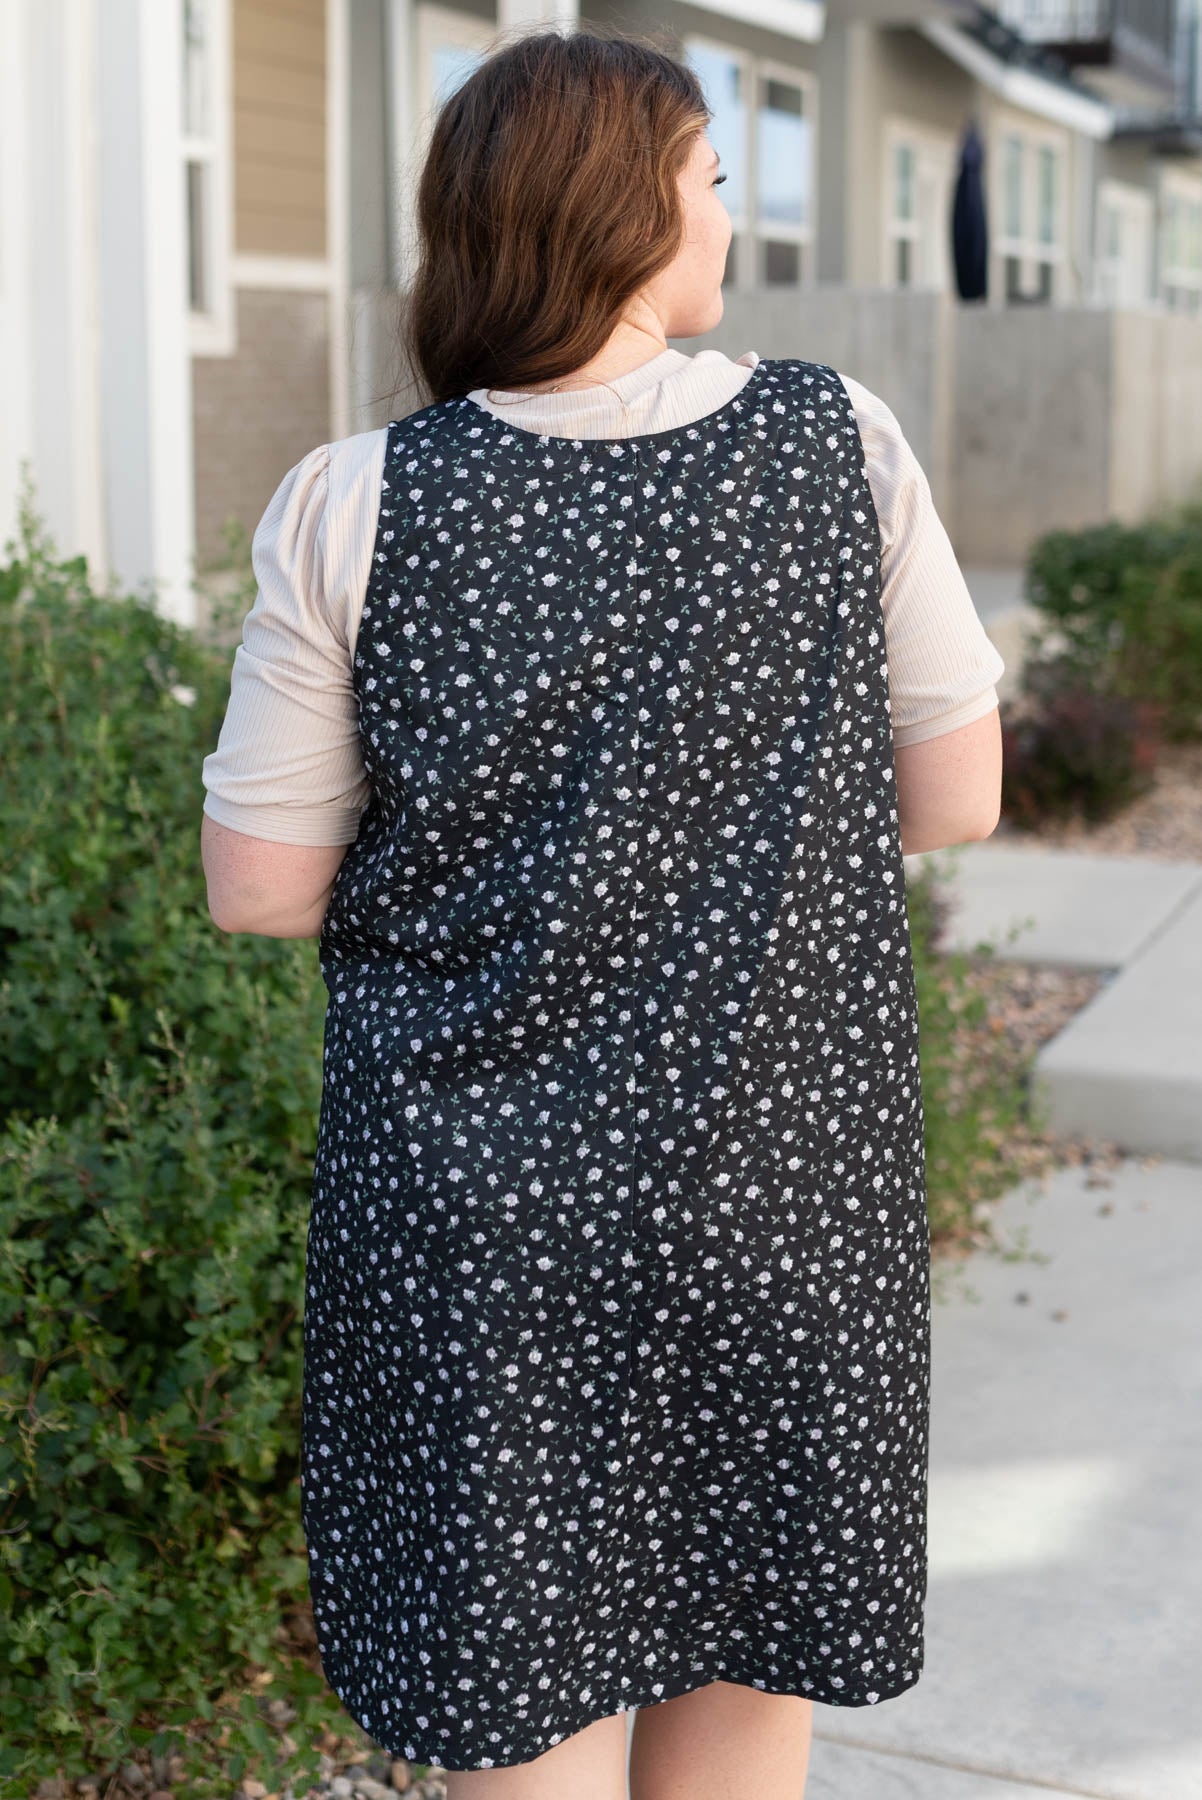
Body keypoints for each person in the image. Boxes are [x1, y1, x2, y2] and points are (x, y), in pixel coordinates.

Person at [200, 25, 1003, 1800]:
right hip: (777, 1193)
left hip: (482, 1240)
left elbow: (257, 888)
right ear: (627, 215)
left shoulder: (357, 500)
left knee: (520, 1711)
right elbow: (956, 796)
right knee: (740, 1682)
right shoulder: (834, 445)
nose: (728, 221)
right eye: (713, 183)